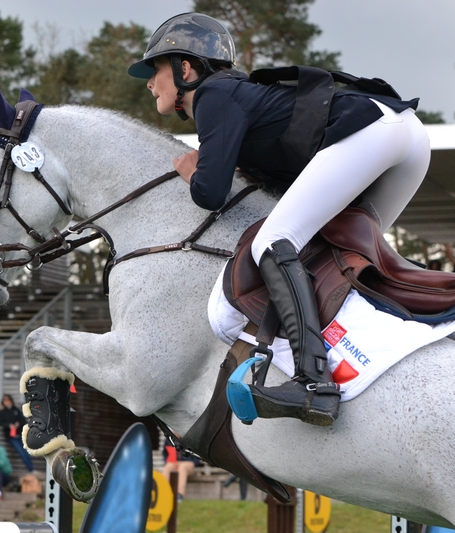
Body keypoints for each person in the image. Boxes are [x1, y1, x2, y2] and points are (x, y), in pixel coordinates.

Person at [129, 13, 430, 426]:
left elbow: (210, 193)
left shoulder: (213, 96)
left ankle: (313, 381)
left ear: (186, 68)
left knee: (272, 241)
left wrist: (190, 170)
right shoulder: (234, 94)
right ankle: (385, 349)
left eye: (156, 69)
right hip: (408, 137)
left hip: (372, 129)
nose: (149, 82)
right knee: (342, 252)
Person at [0, 394, 35, 473]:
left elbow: (23, 420)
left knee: (26, 451)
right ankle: (30, 469)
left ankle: (32, 468)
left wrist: (18, 424)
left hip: (19, 434)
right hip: (11, 436)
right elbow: (1, 423)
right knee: (20, 451)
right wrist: (9, 425)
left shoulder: (16, 410)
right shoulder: (1, 412)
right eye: (5, 400)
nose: (7, 402)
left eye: (8, 400)